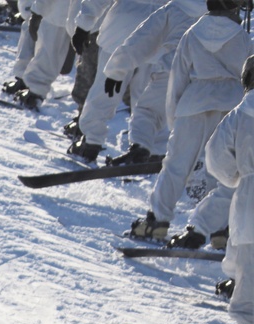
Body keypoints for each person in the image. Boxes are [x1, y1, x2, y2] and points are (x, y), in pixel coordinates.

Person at [129, 0, 253, 241]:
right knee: (223, 170)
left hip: (194, 102)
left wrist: (175, 116)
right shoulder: (242, 37)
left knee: (176, 165)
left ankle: (157, 220)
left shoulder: (192, 33)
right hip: (230, 103)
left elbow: (179, 75)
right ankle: (218, 228)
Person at [98, 0, 208, 166]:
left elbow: (142, 39)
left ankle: (140, 148)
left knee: (148, 112)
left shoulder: (173, 9)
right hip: (212, 79)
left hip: (173, 71)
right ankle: (201, 165)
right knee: (207, 124)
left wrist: (117, 69)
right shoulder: (230, 18)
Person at [66, 0, 168, 162]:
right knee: (148, 95)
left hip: (122, 28)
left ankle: (91, 141)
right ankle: (151, 146)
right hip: (160, 33)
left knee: (105, 90)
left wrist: (83, 26)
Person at [205, 55, 254, 324]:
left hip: (252, 190)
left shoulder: (241, 113)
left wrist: (236, 176)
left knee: (248, 254)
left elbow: (216, 155)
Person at [11, 0, 81, 110]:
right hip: (69, 13)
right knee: (43, 43)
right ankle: (25, 80)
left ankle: (35, 91)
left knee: (49, 49)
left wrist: (37, 10)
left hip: (59, 12)